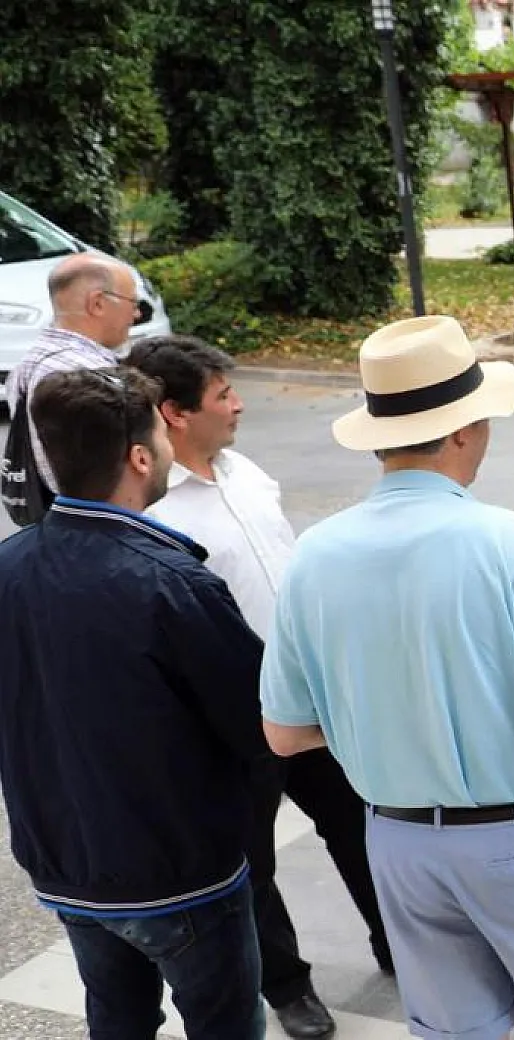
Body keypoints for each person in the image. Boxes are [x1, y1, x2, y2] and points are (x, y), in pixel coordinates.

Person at [260, 315, 514, 1040]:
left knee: (455, 1031)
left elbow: (283, 731)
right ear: (463, 431)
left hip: (399, 841)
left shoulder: (314, 554)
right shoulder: (507, 541)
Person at [129, 336, 390, 1038]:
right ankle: (288, 986)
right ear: (175, 413)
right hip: (230, 716)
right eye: (223, 396)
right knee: (252, 862)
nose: (240, 404)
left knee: (360, 826)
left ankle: (396, 944)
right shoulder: (157, 511)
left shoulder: (245, 471)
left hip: (307, 692)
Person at [0, 367, 267, 1039]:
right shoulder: (172, 581)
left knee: (115, 1018)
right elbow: (255, 725)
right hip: (181, 874)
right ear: (140, 457)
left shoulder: (10, 566)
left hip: (66, 866)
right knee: (225, 1022)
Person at [4, 254, 135, 495]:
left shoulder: (28, 364)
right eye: (133, 303)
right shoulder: (90, 374)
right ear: (97, 303)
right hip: (98, 523)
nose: (135, 315)